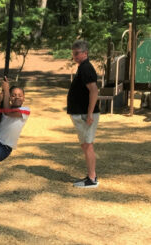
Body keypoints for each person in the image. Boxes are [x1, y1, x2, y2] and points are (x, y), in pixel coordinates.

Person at [67, 40, 100, 188]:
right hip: (81, 113)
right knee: (86, 145)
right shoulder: (83, 67)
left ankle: (92, 179)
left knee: (87, 145)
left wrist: (90, 114)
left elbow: (94, 90)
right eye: (73, 54)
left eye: (76, 53)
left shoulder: (86, 68)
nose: (74, 56)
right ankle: (91, 176)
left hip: (85, 115)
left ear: (85, 53)